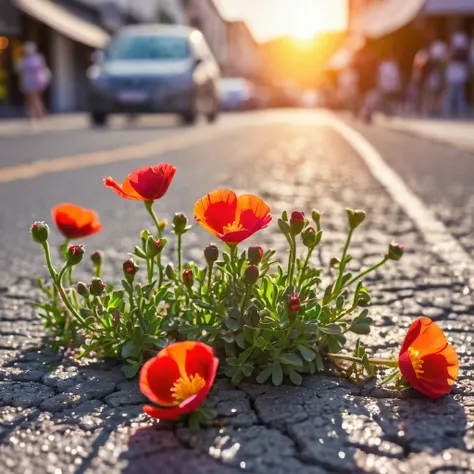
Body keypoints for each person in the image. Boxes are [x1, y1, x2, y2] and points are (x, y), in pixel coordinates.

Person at [16, 42, 50, 121]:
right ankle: (36, 113)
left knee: (33, 98)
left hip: (31, 81)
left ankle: (36, 114)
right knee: (35, 98)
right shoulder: (39, 58)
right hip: (38, 81)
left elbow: (19, 68)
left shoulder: (26, 59)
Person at [444, 32, 469, 117]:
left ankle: (458, 111)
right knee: (451, 93)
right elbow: (447, 60)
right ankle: (448, 110)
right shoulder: (453, 53)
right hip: (453, 75)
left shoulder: (463, 54)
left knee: (459, 94)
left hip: (459, 75)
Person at [424, 38, 448, 116]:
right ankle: (431, 109)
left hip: (438, 77)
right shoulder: (432, 65)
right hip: (433, 76)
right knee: (432, 93)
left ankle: (436, 109)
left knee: (438, 93)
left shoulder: (441, 66)